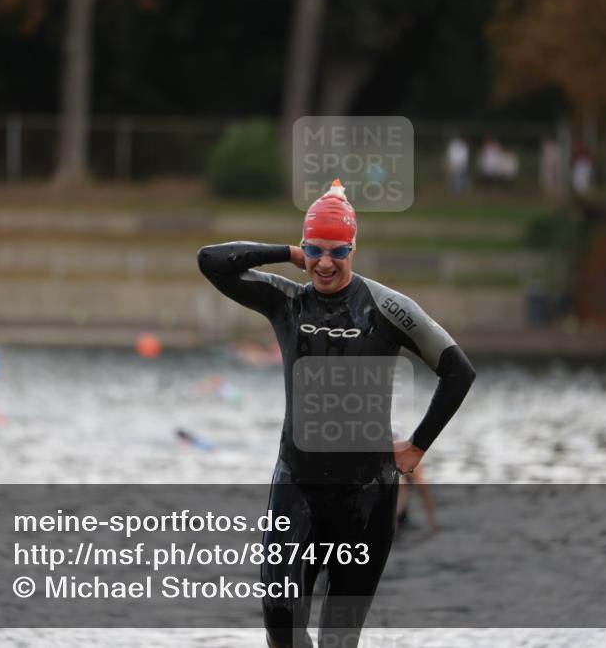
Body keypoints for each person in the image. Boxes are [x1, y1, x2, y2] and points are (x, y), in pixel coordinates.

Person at [197, 180, 475, 648]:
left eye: (337, 250)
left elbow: (458, 372)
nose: (324, 262)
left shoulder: (387, 308)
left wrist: (417, 447)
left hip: (366, 498)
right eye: (315, 249)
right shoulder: (287, 300)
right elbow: (212, 261)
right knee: (281, 624)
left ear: (354, 247)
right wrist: (286, 252)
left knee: (339, 639)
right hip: (297, 485)